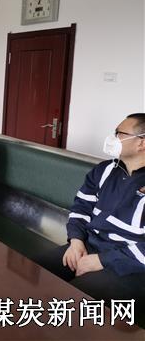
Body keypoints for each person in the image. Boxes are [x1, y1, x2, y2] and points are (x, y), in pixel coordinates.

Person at [40, 113, 145, 326]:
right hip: (90, 245)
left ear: (141, 142)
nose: (113, 138)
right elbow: (81, 207)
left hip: (133, 264)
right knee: (35, 273)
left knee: (76, 306)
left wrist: (102, 261)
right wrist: (76, 241)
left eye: (119, 133)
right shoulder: (105, 170)